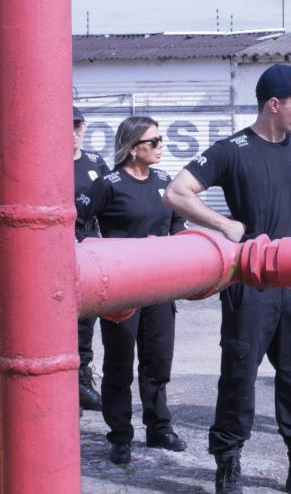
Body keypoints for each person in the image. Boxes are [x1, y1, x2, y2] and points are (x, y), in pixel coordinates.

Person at [164, 64, 291, 494]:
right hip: (250, 283)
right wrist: (224, 226)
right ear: (273, 103)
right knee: (239, 375)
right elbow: (176, 192)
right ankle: (228, 466)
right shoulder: (233, 149)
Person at [76, 116, 188, 465]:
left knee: (157, 361)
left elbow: (178, 227)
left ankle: (159, 427)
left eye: (160, 140)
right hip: (121, 288)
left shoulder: (164, 182)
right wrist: (91, 256)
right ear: (133, 147)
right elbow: (76, 220)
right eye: (153, 142)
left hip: (159, 287)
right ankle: (120, 435)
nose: (160, 147)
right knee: (119, 364)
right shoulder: (108, 184)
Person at [73, 106, 109, 412]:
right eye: (66, 127)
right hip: (57, 248)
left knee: (87, 318)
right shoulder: (43, 158)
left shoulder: (95, 162)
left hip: (90, 248)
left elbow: (112, 200)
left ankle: (81, 380)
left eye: (77, 127)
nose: (72, 134)